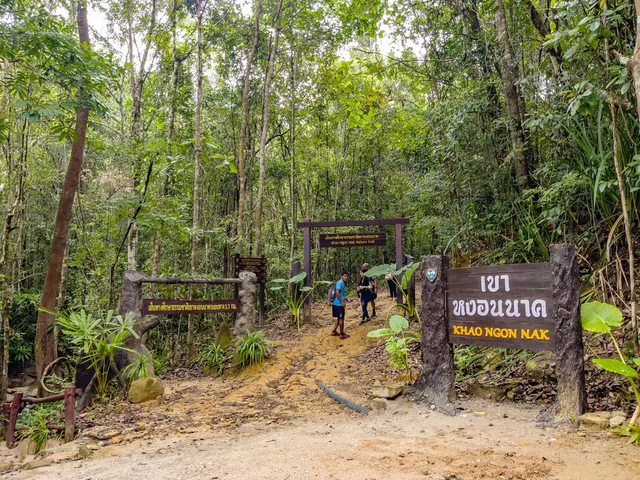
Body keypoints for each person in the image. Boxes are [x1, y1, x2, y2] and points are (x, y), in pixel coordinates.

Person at [331, 271, 350, 339]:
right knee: (341, 318)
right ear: (341, 276)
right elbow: (337, 293)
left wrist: (346, 299)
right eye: (345, 276)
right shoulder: (340, 283)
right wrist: (342, 302)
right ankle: (342, 334)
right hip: (338, 304)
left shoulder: (341, 283)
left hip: (337, 303)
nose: (346, 277)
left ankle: (334, 331)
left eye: (347, 276)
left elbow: (340, 294)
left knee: (339, 318)